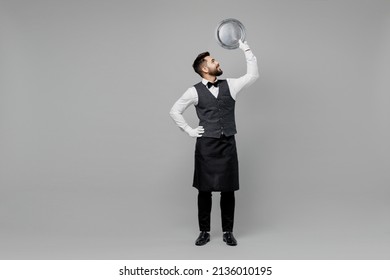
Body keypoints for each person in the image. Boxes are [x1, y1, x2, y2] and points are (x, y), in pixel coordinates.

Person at [169, 40, 259, 246]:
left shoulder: (231, 85)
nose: (217, 63)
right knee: (204, 191)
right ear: (204, 68)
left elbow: (253, 75)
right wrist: (189, 130)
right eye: (213, 61)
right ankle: (204, 232)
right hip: (206, 148)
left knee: (228, 190)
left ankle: (228, 232)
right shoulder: (193, 92)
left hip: (228, 144)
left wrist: (246, 49)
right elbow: (174, 111)